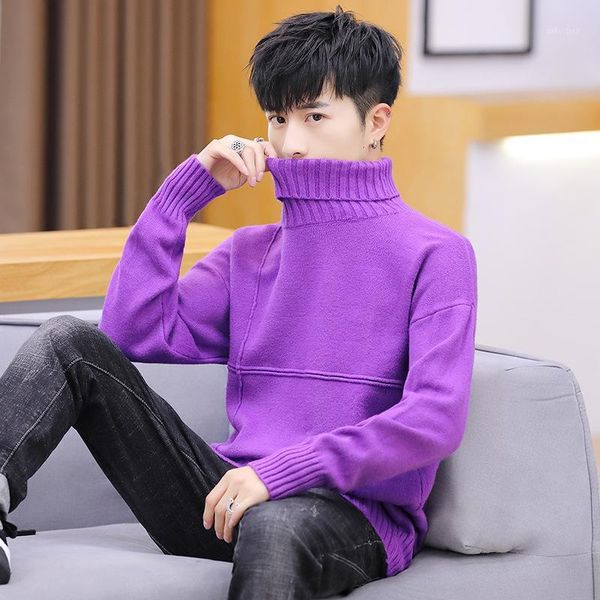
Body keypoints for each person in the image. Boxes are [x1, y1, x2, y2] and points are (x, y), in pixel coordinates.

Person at [0, 4, 478, 598]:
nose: (290, 143)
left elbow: (434, 418)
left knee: (278, 524)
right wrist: (182, 196)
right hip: (225, 497)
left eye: (314, 116)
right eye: (278, 118)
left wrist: (283, 472)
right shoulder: (249, 252)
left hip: (349, 514)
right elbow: (131, 332)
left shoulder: (438, 254)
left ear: (376, 120)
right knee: (66, 341)